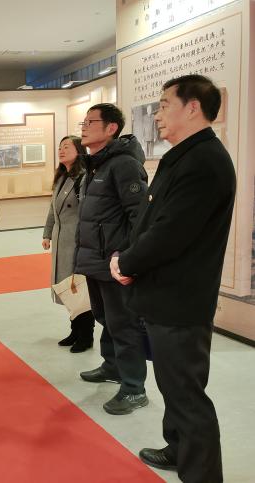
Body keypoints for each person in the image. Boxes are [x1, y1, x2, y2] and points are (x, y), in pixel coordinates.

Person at [111, 75, 235, 482]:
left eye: (165, 105)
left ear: (193, 107)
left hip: (181, 299)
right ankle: (179, 448)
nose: (157, 114)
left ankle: (202, 473)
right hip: (165, 293)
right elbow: (150, 221)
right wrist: (127, 257)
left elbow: (170, 233)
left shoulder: (204, 162)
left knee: (185, 391)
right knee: (172, 384)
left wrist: (127, 264)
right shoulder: (183, 156)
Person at [73, 103, 149, 415]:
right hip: (95, 259)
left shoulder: (123, 165)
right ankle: (112, 366)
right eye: (83, 121)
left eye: (91, 122)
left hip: (114, 262)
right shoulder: (95, 165)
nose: (83, 127)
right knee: (105, 317)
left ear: (111, 128)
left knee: (123, 325)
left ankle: (134, 388)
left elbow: (140, 217)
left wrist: (126, 257)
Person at [42, 135, 95, 353]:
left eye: (67, 147)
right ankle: (75, 330)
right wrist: (47, 234)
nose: (61, 150)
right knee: (67, 287)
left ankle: (86, 334)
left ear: (79, 150)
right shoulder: (62, 177)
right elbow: (52, 209)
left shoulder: (83, 178)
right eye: (60, 147)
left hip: (76, 241)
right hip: (61, 242)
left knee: (78, 287)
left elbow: (88, 212)